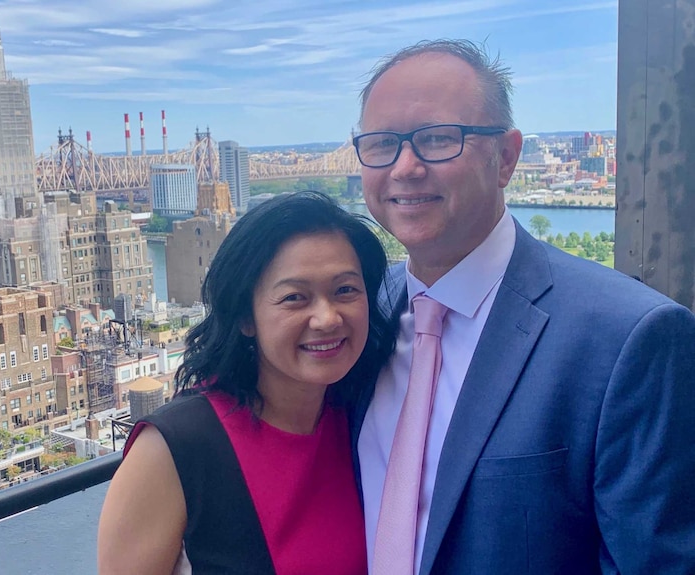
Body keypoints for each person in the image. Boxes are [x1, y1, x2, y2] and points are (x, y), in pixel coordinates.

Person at [351, 39, 695, 575]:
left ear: (506, 156)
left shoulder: (629, 338)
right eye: (381, 144)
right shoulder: (359, 318)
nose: (406, 167)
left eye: (438, 139)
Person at [97, 191, 394, 574]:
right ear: (245, 318)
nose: (327, 318)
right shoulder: (174, 450)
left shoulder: (366, 412)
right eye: (294, 297)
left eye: (345, 290)